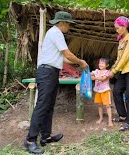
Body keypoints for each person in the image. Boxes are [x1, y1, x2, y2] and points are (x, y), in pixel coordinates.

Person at [24, 11, 88, 154]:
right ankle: (30, 140)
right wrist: (81, 62)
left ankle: (46, 136)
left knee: (49, 105)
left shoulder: (54, 33)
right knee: (42, 105)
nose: (69, 27)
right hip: (46, 72)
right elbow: (67, 54)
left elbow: (63, 58)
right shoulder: (56, 32)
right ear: (63, 23)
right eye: (69, 24)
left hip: (52, 72)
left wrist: (77, 65)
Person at [108, 16, 129, 131]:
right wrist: (111, 70)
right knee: (117, 91)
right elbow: (118, 59)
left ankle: (128, 121)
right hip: (123, 71)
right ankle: (122, 115)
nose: (116, 30)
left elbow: (125, 58)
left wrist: (114, 71)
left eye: (117, 28)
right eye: (115, 28)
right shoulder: (121, 40)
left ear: (124, 27)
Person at [91, 57, 113, 127]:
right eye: (100, 63)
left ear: (107, 65)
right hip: (98, 91)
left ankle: (110, 120)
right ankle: (101, 118)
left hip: (105, 91)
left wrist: (95, 78)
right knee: (100, 105)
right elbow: (90, 73)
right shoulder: (96, 71)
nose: (100, 64)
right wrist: (87, 73)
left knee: (107, 106)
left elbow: (103, 79)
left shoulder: (107, 72)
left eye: (102, 63)